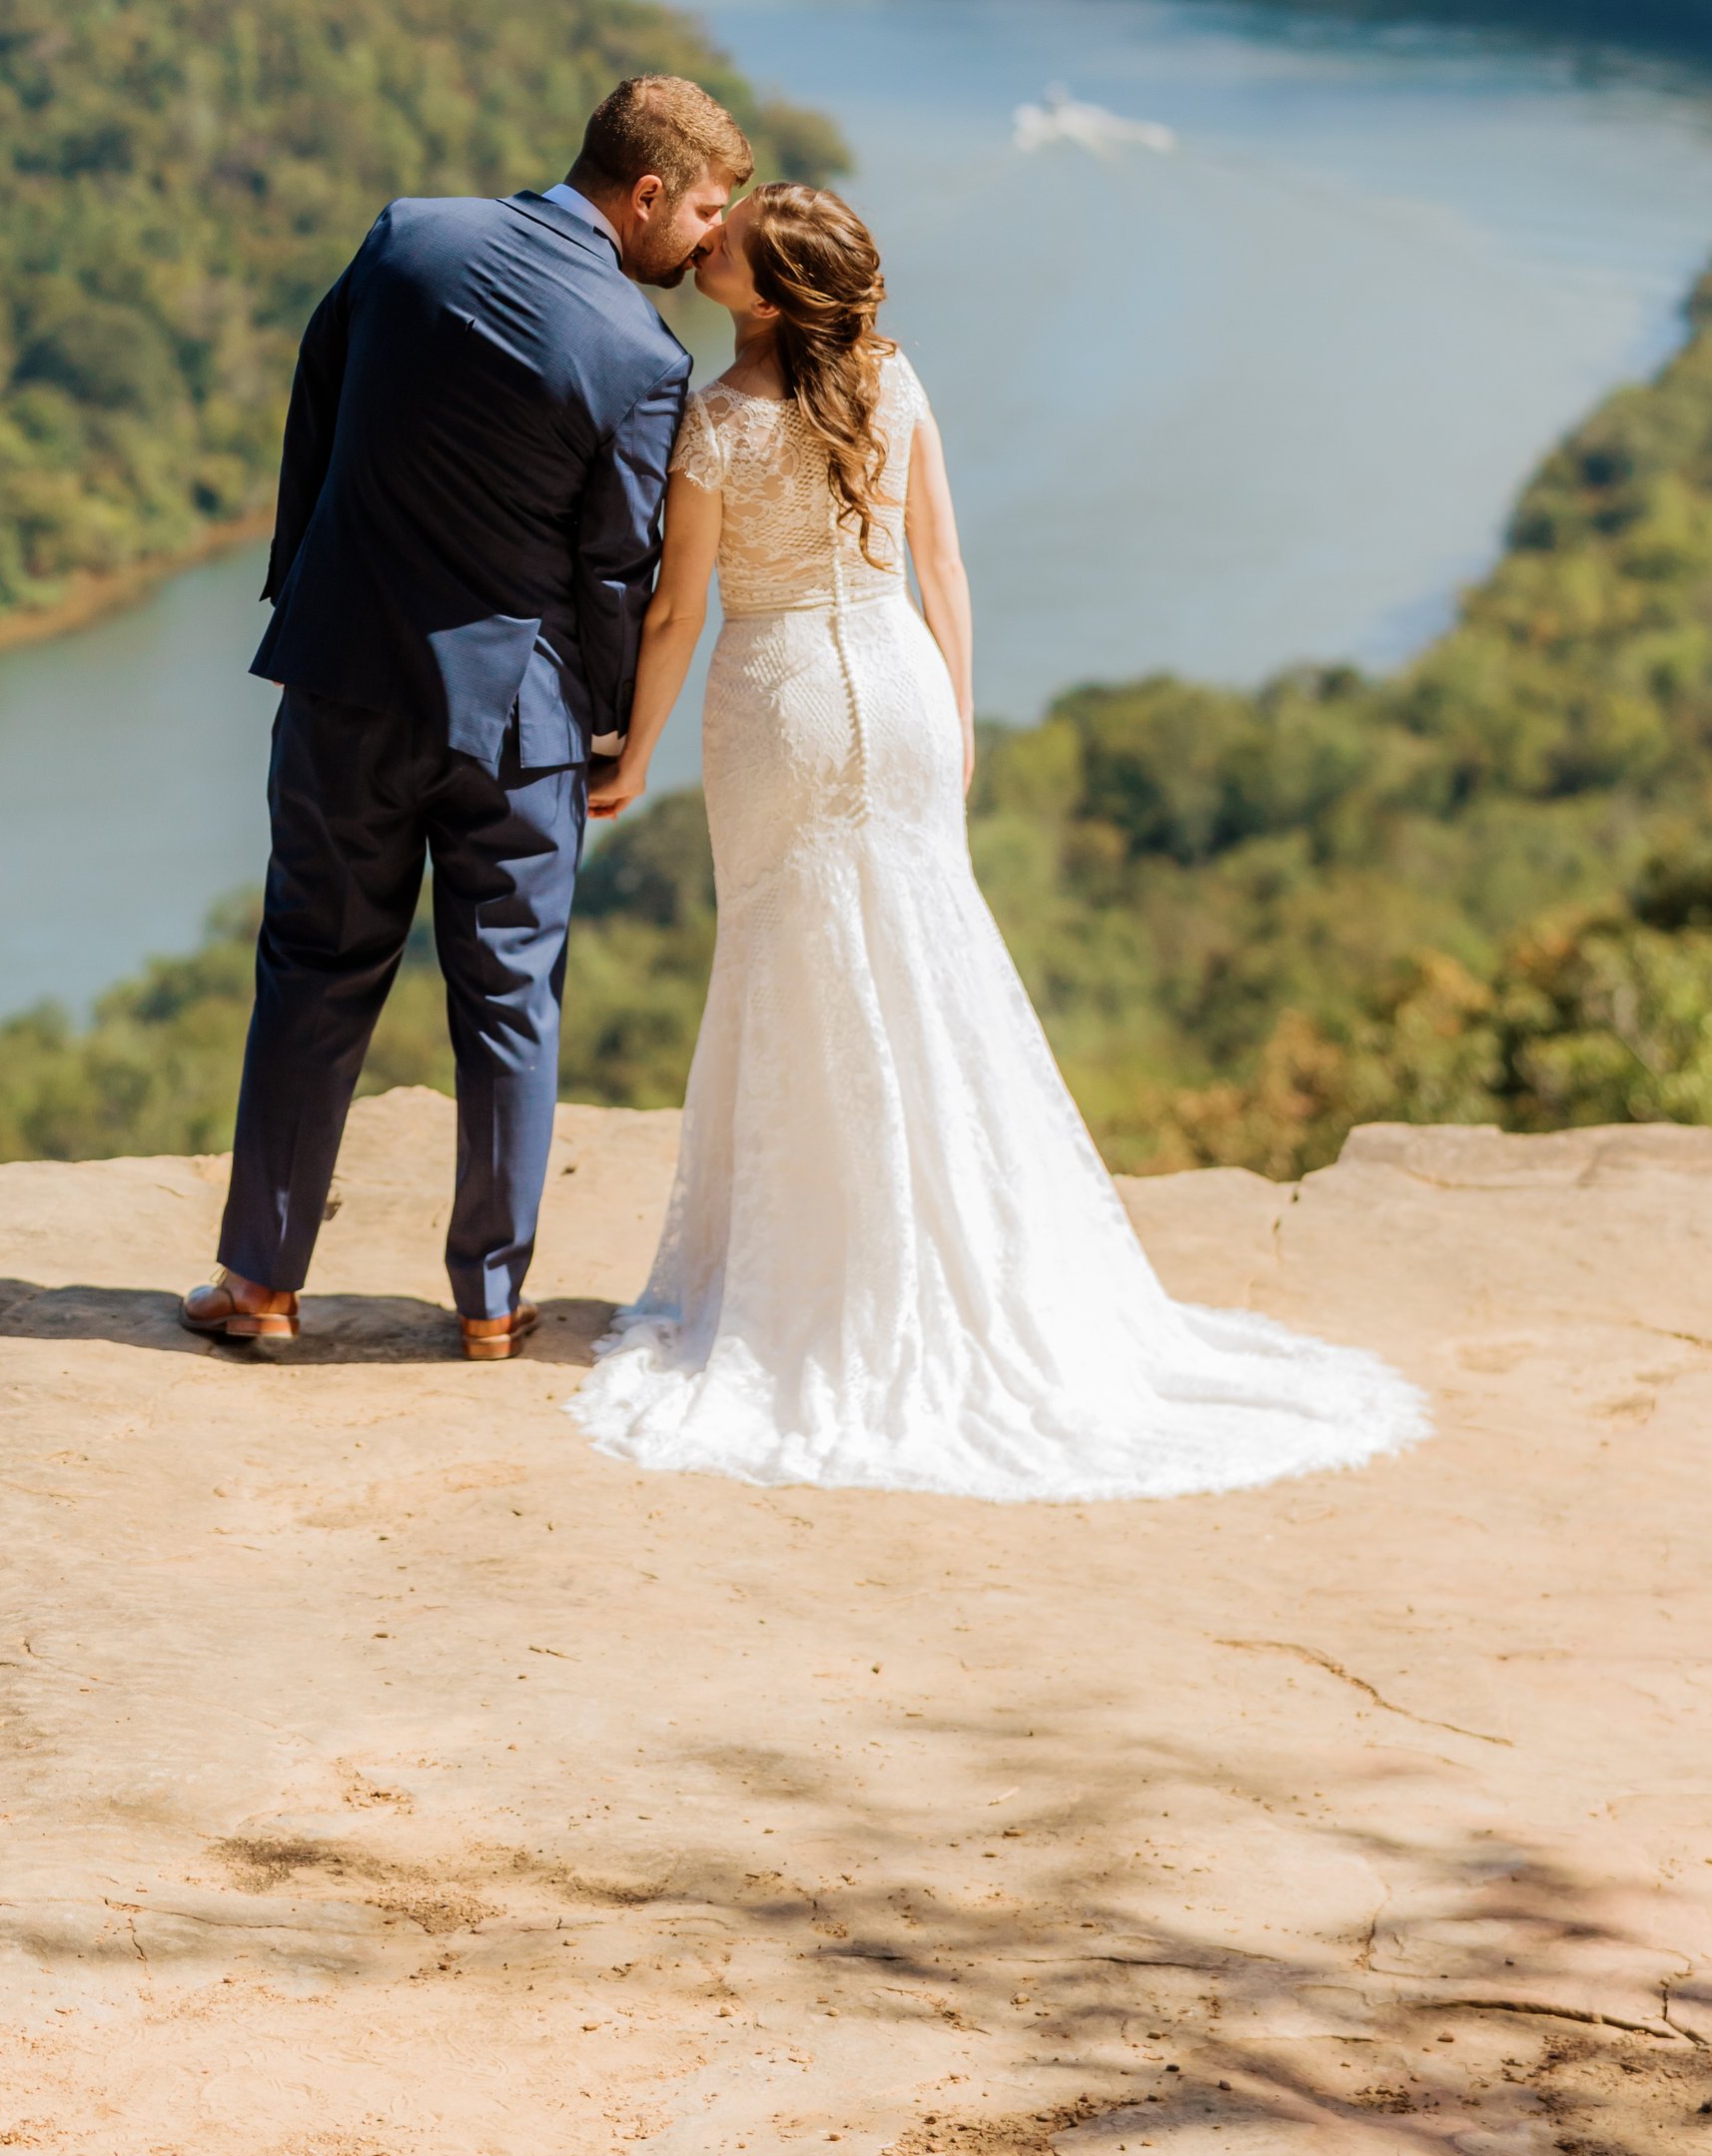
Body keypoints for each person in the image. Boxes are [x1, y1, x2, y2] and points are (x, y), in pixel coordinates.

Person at [569, 181, 1428, 1500]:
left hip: (782, 699)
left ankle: (818, 1281)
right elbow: (946, 565)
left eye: (732, 241)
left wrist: (628, 747)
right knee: (929, 967)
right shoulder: (894, 386)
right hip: (903, 687)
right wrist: (959, 724)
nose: (712, 239)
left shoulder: (718, 422)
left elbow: (678, 614)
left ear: (772, 291)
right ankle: (962, 1256)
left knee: (792, 972)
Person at [184, 75, 752, 1361]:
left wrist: (306, 575)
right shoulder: (643, 356)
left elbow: (313, 399)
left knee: (313, 970)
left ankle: (261, 1286)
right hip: (520, 725)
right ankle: (491, 1304)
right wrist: (604, 729)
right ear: (647, 192)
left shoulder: (408, 236)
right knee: (510, 1003)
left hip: (346, 681)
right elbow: (618, 567)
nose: (712, 240)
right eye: (706, 210)